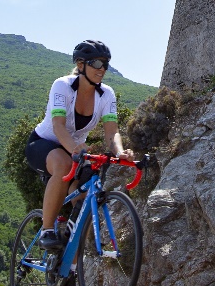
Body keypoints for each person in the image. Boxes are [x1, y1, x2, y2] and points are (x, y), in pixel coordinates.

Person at [25, 39, 134, 253]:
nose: (101, 69)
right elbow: (58, 126)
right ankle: (47, 230)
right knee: (63, 164)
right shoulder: (62, 86)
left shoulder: (107, 94)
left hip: (74, 150)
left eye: (105, 64)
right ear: (81, 64)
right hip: (42, 143)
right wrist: (75, 148)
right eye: (96, 63)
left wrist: (121, 153)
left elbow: (112, 132)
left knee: (86, 193)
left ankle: (71, 270)